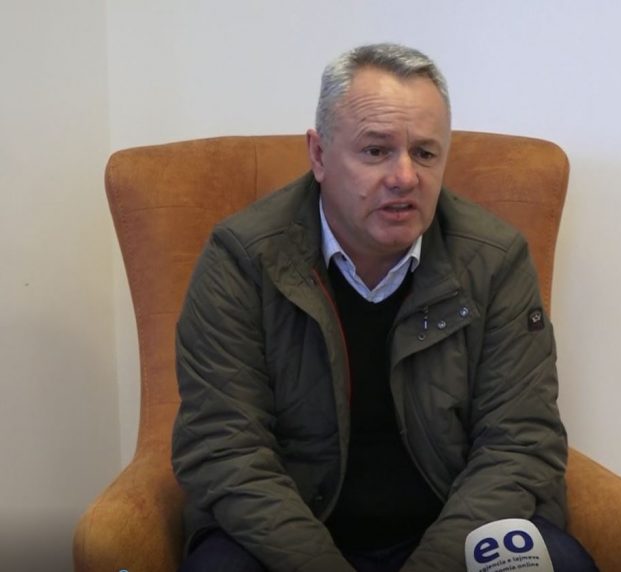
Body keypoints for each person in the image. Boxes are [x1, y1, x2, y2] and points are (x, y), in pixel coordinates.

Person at [171, 43, 597, 572]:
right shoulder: (241, 259)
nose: (405, 177)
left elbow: (519, 444)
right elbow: (225, 450)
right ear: (319, 155)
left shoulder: (495, 260)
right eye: (376, 151)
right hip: (289, 535)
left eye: (425, 153)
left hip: (452, 529)